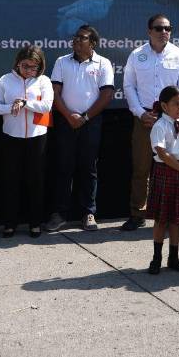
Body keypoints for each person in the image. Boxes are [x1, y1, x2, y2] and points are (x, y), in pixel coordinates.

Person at [121, 14, 179, 231]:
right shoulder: (137, 55)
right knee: (141, 168)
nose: (164, 32)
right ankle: (138, 214)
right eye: (159, 28)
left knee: (174, 166)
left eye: (168, 28)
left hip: (171, 120)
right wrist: (139, 113)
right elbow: (129, 86)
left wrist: (170, 115)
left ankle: (173, 213)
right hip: (144, 119)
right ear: (149, 31)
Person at [45, 25, 114, 232]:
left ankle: (88, 213)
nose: (76, 40)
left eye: (81, 38)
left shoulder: (103, 63)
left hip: (91, 122)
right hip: (65, 121)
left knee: (88, 168)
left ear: (93, 43)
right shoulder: (62, 61)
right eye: (75, 37)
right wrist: (69, 116)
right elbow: (55, 93)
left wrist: (84, 118)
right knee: (63, 167)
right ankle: (59, 214)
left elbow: (106, 95)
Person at [0, 45, 53, 238]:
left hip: (37, 137)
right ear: (18, 63)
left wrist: (25, 103)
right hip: (11, 137)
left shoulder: (43, 81)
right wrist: (11, 106)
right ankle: (10, 223)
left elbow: (46, 106)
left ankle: (35, 223)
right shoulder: (5, 80)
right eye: (25, 66)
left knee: (36, 181)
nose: (29, 71)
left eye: (34, 67)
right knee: (11, 180)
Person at [146, 86, 179, 275]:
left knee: (177, 219)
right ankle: (156, 258)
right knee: (161, 219)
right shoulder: (160, 126)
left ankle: (173, 258)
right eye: (176, 104)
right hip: (166, 172)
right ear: (164, 106)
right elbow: (162, 153)